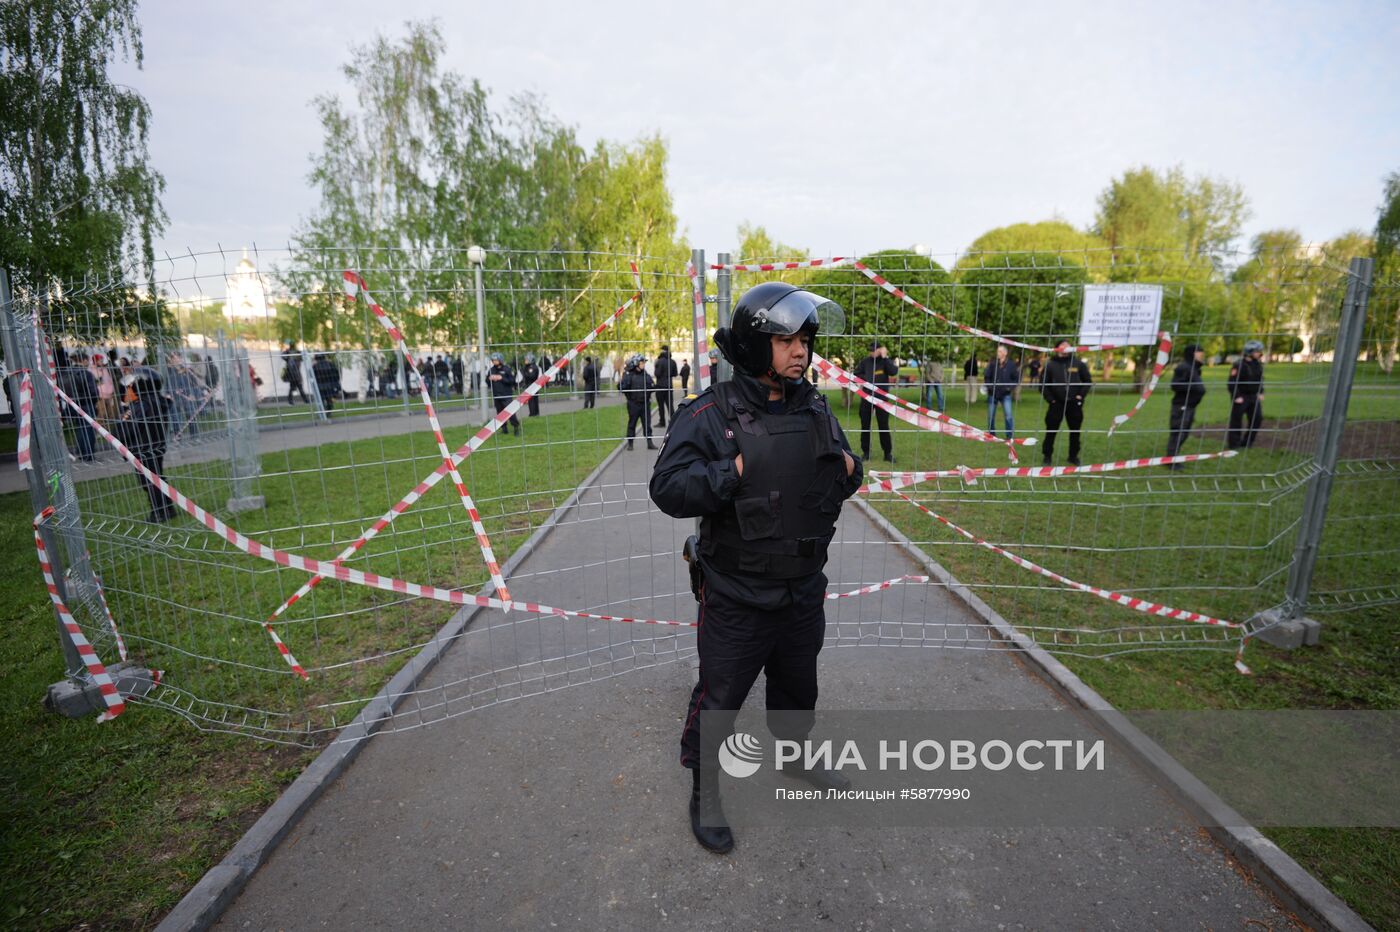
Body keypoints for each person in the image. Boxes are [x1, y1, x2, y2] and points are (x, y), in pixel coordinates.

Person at [649, 281, 862, 855]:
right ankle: (705, 791)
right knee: (720, 699)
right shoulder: (711, 412)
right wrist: (730, 473)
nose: (801, 351)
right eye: (786, 340)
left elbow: (843, 471)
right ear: (752, 344)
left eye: (806, 340)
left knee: (798, 691)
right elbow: (666, 487)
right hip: (737, 596)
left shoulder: (815, 405)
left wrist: (850, 466)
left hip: (801, 592)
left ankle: (796, 761)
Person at [117, 373, 176, 522]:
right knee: (157, 478)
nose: (127, 391)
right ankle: (168, 509)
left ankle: (158, 513)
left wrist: (119, 431)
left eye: (130, 387)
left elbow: (128, 428)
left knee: (148, 482)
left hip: (142, 448)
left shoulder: (142, 405)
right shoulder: (157, 401)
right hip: (155, 446)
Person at [1040, 340, 1092, 466]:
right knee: (1051, 430)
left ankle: (1073, 456)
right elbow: (1042, 384)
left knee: (1075, 431)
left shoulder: (1078, 364)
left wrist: (1080, 396)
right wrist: (1050, 399)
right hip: (1056, 404)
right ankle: (1047, 456)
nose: (1065, 348)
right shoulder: (1050, 365)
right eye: (1062, 346)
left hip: (1074, 404)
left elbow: (1087, 381)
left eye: (1067, 346)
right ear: (1057, 348)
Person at [854, 341, 898, 464]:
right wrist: (866, 379)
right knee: (865, 426)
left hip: (882, 400)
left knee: (883, 426)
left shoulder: (885, 362)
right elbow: (856, 374)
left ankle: (887, 453)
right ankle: (866, 453)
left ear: (880, 350)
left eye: (875, 350)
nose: (872, 352)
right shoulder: (865, 362)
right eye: (870, 350)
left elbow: (894, 371)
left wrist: (885, 357)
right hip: (866, 398)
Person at [1165, 343, 1207, 468]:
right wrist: (1195, 387)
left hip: (1190, 406)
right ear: (1192, 354)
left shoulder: (1194, 368)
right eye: (1200, 353)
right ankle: (1170, 461)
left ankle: (1173, 456)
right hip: (1181, 406)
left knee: (1184, 433)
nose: (1202, 355)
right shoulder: (1184, 367)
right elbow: (1175, 385)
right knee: (1178, 432)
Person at [1228, 340, 1265, 450]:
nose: (1260, 353)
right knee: (1236, 420)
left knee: (1257, 419)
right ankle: (1234, 444)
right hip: (1241, 397)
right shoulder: (1239, 365)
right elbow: (1232, 382)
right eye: (1257, 351)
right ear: (1250, 352)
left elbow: (1260, 380)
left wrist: (1261, 392)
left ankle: (1247, 442)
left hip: (1254, 396)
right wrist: (1236, 396)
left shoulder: (1258, 365)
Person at [619, 353, 656, 450]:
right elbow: (622, 387)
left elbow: (652, 386)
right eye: (642, 362)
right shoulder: (629, 375)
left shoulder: (645, 374)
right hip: (633, 404)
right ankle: (630, 443)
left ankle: (649, 443)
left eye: (644, 362)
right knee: (632, 424)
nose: (643, 364)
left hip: (645, 404)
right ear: (636, 363)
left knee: (647, 424)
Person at [984, 344, 1019, 439]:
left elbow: (1016, 379)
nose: (998, 353)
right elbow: (987, 377)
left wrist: (1008, 388)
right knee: (991, 416)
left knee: (1008, 416)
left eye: (1000, 351)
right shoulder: (992, 364)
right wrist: (990, 387)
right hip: (993, 394)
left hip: (1006, 394)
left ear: (1005, 353)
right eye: (997, 351)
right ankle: (991, 434)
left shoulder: (1011, 365)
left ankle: (1009, 436)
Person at [487, 352, 521, 436]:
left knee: (510, 412)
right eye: (493, 360)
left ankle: (516, 427)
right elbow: (486, 381)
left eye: (496, 360)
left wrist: (501, 378)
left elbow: (512, 381)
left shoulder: (507, 369)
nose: (494, 362)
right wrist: (490, 379)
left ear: (500, 360)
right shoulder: (491, 370)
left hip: (506, 395)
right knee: (500, 413)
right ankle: (504, 428)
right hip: (496, 395)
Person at [652, 344, 678, 428]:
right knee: (670, 405)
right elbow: (675, 373)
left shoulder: (659, 361)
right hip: (669, 386)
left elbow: (657, 374)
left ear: (662, 351)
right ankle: (674, 422)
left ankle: (662, 422)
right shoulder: (672, 361)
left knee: (661, 406)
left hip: (660, 386)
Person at [89, 353, 117, 422]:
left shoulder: (104, 369)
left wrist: (111, 387)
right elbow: (95, 381)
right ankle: (100, 428)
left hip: (109, 393)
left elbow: (108, 379)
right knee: (102, 412)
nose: (102, 362)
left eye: (102, 360)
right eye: (100, 360)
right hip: (100, 394)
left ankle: (111, 429)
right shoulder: (92, 370)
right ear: (95, 361)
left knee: (111, 411)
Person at [282, 341, 310, 405]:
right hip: (295, 374)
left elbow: (283, 356)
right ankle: (305, 400)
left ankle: (293, 401)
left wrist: (287, 356)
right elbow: (302, 358)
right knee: (298, 388)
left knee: (294, 388)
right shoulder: (294, 353)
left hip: (293, 374)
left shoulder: (291, 353)